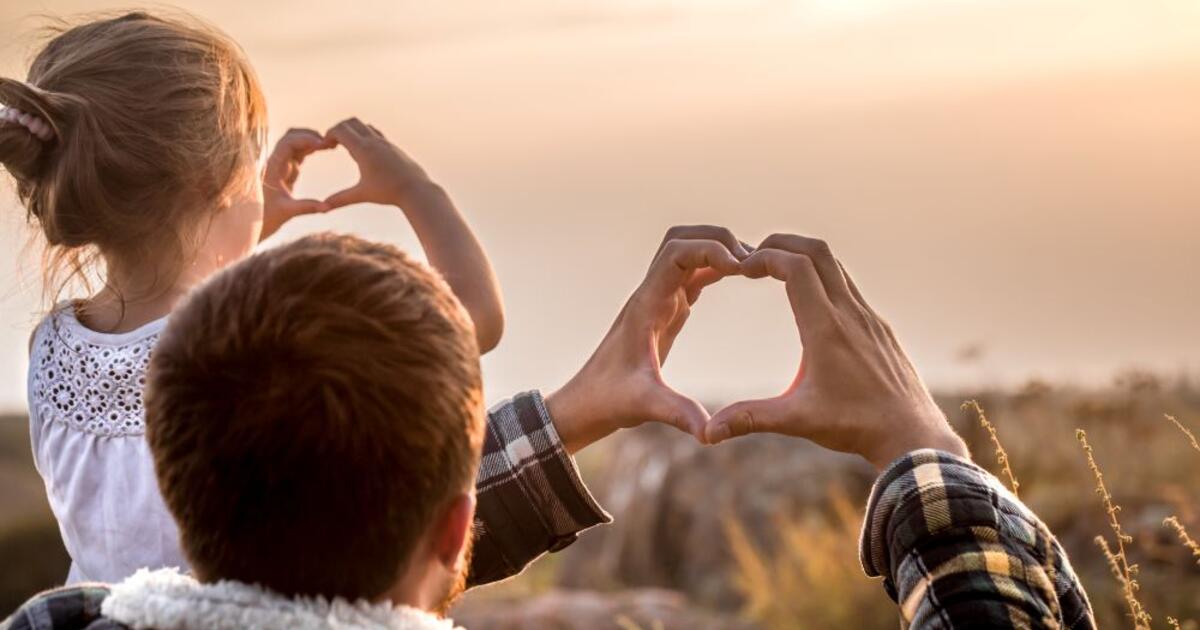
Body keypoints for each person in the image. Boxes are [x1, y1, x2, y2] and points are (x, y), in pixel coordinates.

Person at [3, 227, 1095, 629]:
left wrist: (574, 412)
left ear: (182, 496)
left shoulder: (61, 620)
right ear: (455, 537)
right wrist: (925, 457)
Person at [0, 11, 503, 584]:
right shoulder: (249, 357)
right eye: (249, 153)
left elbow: (175, 304)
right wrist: (418, 190)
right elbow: (473, 323)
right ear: (212, 183)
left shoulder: (53, 351)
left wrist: (245, 217)